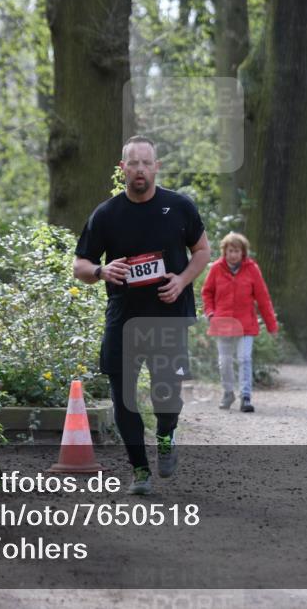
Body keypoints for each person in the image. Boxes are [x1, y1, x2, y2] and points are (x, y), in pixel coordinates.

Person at [73, 135, 210, 496]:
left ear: (156, 167)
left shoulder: (180, 207)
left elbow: (202, 250)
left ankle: (166, 435)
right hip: (124, 317)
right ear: (122, 169)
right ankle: (139, 469)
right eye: (132, 163)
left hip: (169, 316)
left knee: (168, 396)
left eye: (146, 163)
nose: (139, 170)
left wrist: (181, 280)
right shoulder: (106, 214)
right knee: (124, 397)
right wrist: (102, 272)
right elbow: (81, 265)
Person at [201, 232, 278, 413]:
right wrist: (210, 313)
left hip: (245, 324)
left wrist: (271, 325)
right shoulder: (216, 269)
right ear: (224, 252)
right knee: (225, 362)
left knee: (244, 359)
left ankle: (246, 396)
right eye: (230, 251)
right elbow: (207, 293)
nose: (233, 254)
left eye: (237, 251)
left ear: (243, 252)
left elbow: (263, 298)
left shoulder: (252, 269)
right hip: (222, 322)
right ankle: (228, 392)